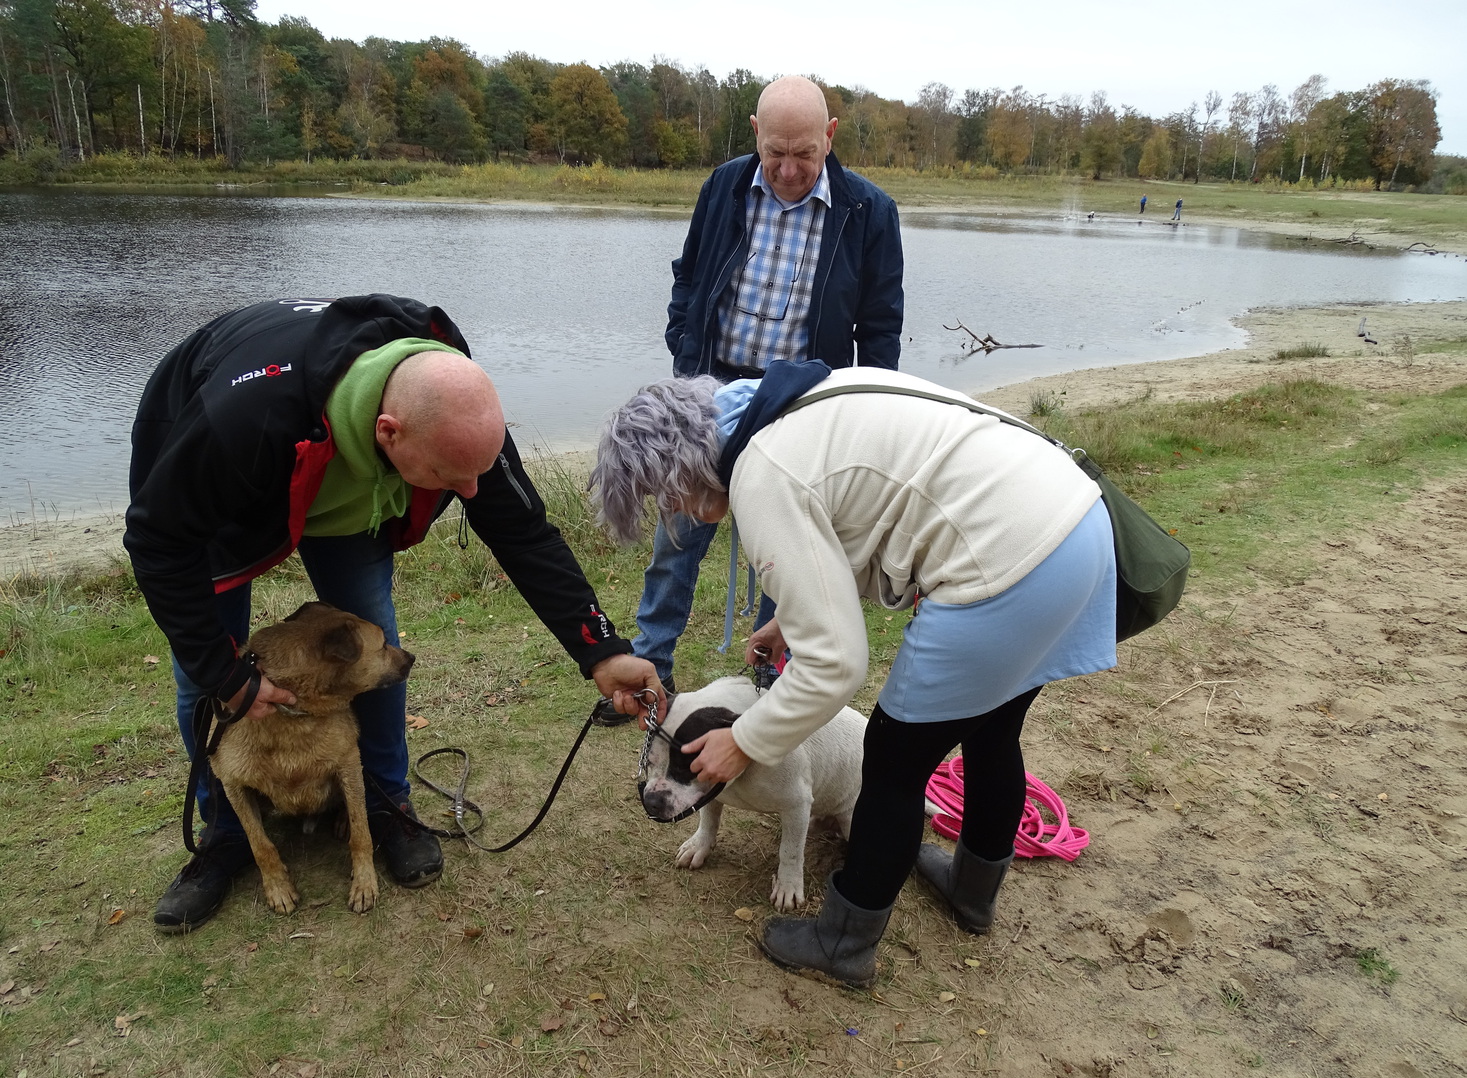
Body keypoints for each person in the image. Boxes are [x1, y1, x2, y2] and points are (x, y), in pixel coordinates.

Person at [127, 294, 662, 933]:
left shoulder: (449, 404)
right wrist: (225, 672)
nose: (469, 494)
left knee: (372, 634)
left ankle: (385, 800)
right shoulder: (241, 421)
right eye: (449, 477)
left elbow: (522, 531)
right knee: (204, 673)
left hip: (347, 481)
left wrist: (602, 650)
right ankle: (227, 832)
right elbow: (159, 541)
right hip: (231, 492)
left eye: (474, 476)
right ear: (390, 431)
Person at [589, 362, 1117, 987]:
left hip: (1003, 562)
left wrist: (746, 740)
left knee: (892, 760)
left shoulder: (762, 475)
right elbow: (857, 511)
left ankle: (844, 941)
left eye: (665, 498)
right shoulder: (790, 401)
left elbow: (837, 666)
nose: (678, 514)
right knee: (992, 733)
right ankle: (973, 892)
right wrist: (793, 616)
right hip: (1074, 527)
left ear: (677, 467)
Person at [595, 75, 904, 723]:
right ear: (754, 133)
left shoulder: (868, 211)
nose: (789, 170)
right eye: (775, 153)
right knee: (677, 537)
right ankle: (651, 676)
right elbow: (688, 277)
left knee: (787, 544)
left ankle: (772, 678)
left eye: (804, 154)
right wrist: (685, 364)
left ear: (829, 136)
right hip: (708, 395)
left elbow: (878, 328)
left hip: (800, 408)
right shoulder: (724, 185)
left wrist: (868, 414)